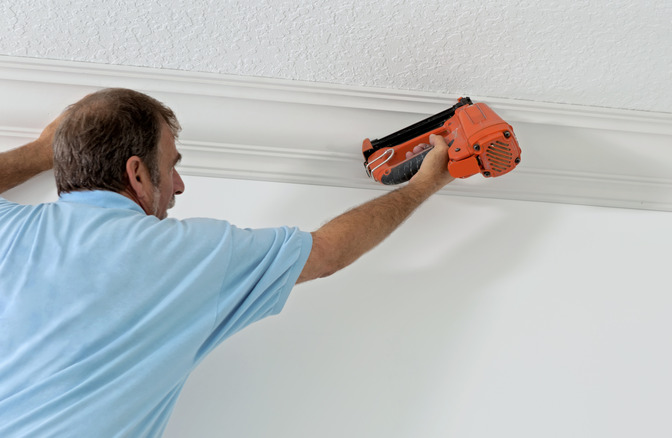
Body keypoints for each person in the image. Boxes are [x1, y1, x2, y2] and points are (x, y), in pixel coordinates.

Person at [0, 88, 453, 437]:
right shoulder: (192, 254)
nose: (177, 186)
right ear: (137, 174)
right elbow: (327, 253)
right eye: (170, 165)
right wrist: (423, 186)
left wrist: (44, 150)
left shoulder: (9, 230)